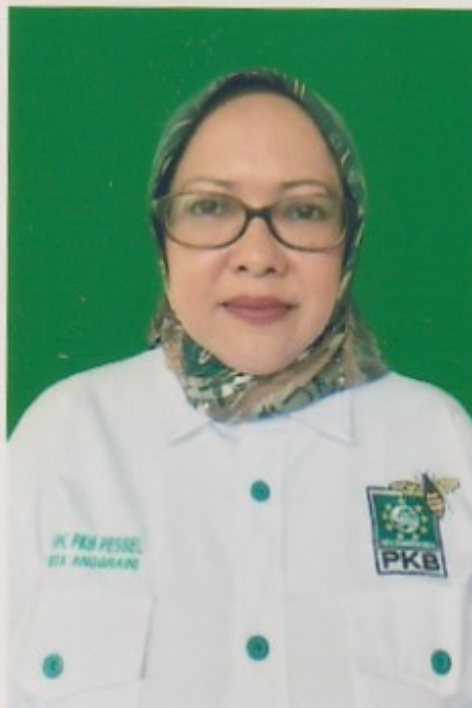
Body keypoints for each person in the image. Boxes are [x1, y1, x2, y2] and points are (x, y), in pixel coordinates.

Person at [8, 69, 472, 708]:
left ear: (349, 237)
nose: (258, 256)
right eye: (212, 207)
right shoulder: (63, 438)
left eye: (304, 211)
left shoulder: (441, 444)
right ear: (163, 235)